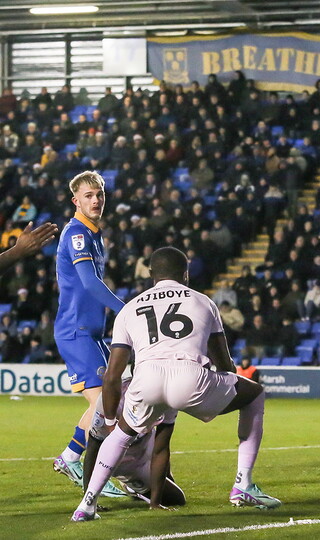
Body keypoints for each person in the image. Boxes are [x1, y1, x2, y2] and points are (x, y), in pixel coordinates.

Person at [71, 247, 281, 521]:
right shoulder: (204, 302)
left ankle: (87, 505)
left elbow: (112, 376)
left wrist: (110, 418)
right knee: (254, 395)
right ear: (186, 274)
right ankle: (243, 484)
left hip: (146, 378)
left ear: (150, 275)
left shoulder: (130, 308)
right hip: (189, 376)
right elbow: (224, 362)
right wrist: (225, 386)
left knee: (120, 435)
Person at [53, 171, 127, 497]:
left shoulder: (95, 235)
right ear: (76, 200)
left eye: (99, 194)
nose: (95, 200)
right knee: (105, 405)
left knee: (111, 402)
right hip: (76, 330)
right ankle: (86, 467)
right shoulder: (77, 234)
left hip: (93, 332)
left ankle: (71, 456)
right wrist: (127, 309)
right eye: (88, 195)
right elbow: (88, 282)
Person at [82, 378, 186, 507]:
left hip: (147, 442)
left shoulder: (165, 393)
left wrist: (155, 503)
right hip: (126, 461)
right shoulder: (112, 398)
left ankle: (141, 488)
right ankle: (131, 484)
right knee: (176, 499)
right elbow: (93, 446)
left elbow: (162, 445)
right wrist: (88, 500)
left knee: (173, 492)